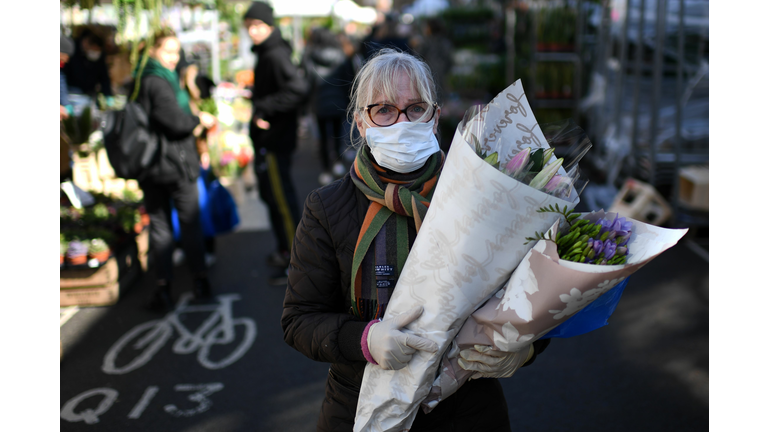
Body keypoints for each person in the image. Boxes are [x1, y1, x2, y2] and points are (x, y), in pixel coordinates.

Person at [281, 49, 550, 432]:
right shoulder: (327, 208)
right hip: (359, 405)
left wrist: (525, 349)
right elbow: (299, 319)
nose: (402, 122)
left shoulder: (484, 195)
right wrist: (365, 339)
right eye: (384, 110)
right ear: (360, 123)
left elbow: (534, 294)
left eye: (415, 108)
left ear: (435, 117)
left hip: (467, 408)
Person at [132, 28, 218, 311]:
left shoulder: (147, 78)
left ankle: (165, 288)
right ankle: (199, 282)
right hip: (174, 164)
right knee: (186, 224)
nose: (174, 57)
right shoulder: (157, 81)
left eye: (176, 51)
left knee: (162, 228)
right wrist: (198, 119)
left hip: (152, 164)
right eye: (167, 51)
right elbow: (174, 120)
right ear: (153, 51)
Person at [242, 1, 308, 285]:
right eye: (249, 27)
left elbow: (297, 89)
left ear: (269, 26)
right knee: (274, 197)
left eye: (258, 26)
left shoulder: (274, 53)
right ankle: (287, 252)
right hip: (273, 139)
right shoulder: (268, 51)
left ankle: (298, 264)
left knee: (282, 201)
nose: (253, 32)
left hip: (275, 140)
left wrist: (264, 107)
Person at [302, 27, 352, 185]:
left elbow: (306, 81)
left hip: (319, 102)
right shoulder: (341, 55)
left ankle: (325, 169)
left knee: (323, 137)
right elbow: (349, 79)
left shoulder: (309, 56)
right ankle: (337, 162)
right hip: (338, 102)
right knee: (338, 133)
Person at [63, 28, 114, 99]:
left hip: (89, 95)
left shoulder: (100, 56)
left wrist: (108, 95)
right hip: (71, 93)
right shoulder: (71, 50)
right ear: (86, 43)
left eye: (97, 51)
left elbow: (104, 77)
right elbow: (62, 75)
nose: (95, 53)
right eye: (93, 50)